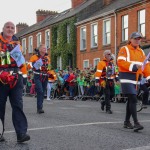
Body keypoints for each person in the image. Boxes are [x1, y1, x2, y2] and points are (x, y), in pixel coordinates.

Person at [0, 21, 30, 142]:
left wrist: (24, 78)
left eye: (12, 28)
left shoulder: (17, 45)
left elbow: (21, 63)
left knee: (18, 105)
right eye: (8, 27)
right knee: (0, 106)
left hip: (16, 78)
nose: (10, 29)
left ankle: (21, 134)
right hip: (1, 79)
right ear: (3, 28)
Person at [117, 32, 150, 131]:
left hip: (137, 78)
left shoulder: (141, 51)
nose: (137, 40)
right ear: (130, 39)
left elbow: (146, 66)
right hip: (126, 76)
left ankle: (127, 122)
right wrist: (134, 66)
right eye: (135, 38)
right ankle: (136, 123)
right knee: (133, 98)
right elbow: (120, 62)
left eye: (139, 39)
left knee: (131, 99)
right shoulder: (124, 49)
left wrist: (148, 76)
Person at [28, 44, 53, 113]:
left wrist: (51, 75)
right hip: (37, 76)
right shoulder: (34, 57)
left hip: (45, 76)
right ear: (40, 49)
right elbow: (29, 65)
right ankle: (39, 108)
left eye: (46, 48)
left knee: (43, 92)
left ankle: (40, 107)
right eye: (44, 48)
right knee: (40, 91)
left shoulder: (47, 58)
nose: (45, 49)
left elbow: (49, 67)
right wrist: (35, 63)